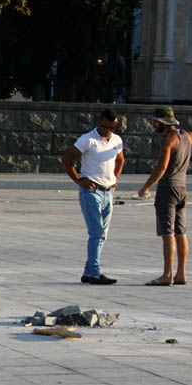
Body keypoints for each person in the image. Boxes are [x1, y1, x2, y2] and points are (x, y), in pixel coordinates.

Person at [134, 107, 192, 286]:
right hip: (182, 188)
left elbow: (161, 168)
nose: (153, 124)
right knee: (181, 232)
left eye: (155, 121)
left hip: (167, 188)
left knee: (167, 233)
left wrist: (145, 188)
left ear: (163, 122)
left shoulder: (169, 139)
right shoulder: (187, 136)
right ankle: (181, 274)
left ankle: (167, 275)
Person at [59, 108, 125, 285]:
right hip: (91, 192)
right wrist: (79, 180)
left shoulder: (117, 140)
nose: (109, 131)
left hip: (108, 191)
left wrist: (114, 178)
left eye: (112, 127)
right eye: (106, 127)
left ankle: (89, 271)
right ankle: (94, 271)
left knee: (102, 234)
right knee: (96, 232)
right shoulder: (87, 140)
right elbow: (67, 159)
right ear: (99, 122)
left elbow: (120, 160)